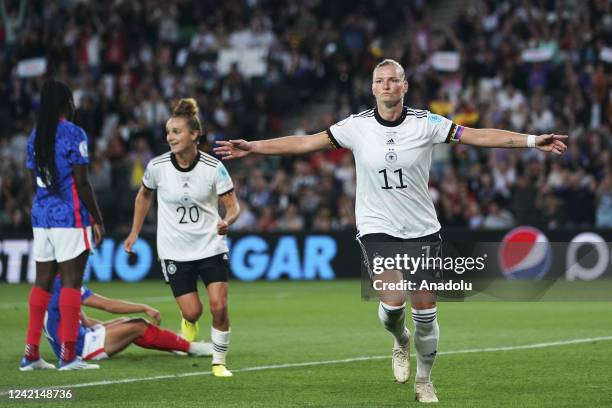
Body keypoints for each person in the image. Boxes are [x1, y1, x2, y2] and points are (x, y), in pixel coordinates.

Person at [214, 59, 567, 402]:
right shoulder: (356, 126)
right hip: (377, 227)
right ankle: (400, 340)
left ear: (405, 86)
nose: (387, 85)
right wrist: (255, 147)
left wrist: (533, 141)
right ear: (372, 88)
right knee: (394, 304)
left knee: (426, 314)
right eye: (381, 80)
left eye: (394, 79)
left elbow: (475, 135)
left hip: (422, 228)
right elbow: (306, 143)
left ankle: (425, 381)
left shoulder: (427, 123)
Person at [124, 98, 240, 378]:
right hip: (175, 249)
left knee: (219, 305)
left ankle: (219, 362)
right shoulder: (157, 167)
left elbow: (233, 206)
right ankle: (189, 322)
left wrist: (227, 221)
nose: (170, 137)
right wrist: (134, 232)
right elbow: (144, 196)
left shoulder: (214, 167)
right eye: (168, 132)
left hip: (210, 244)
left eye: (176, 131)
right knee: (193, 311)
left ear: (194, 135)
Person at [20, 79, 105, 371]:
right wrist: (96, 217)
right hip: (69, 217)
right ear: (67, 103)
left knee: (42, 283)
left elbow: (35, 180)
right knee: (71, 283)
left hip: (41, 216)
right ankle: (68, 355)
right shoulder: (73, 133)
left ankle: (31, 353)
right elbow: (81, 181)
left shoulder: (35, 136)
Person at [42, 275, 212, 364]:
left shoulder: (48, 284)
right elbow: (108, 305)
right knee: (138, 325)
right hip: (80, 349)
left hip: (69, 345)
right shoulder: (65, 283)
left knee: (126, 322)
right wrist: (144, 308)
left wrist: (109, 328)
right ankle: (191, 347)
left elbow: (83, 322)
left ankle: (176, 345)